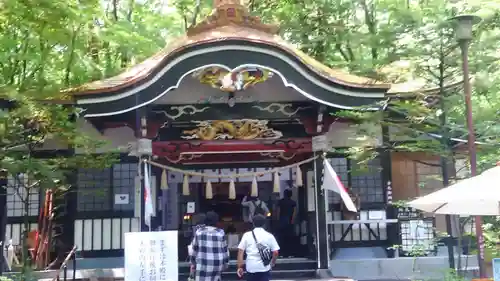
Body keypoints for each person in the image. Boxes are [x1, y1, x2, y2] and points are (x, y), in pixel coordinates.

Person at [237, 214, 279, 281]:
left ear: (253, 223)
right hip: (264, 267)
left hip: (251, 266)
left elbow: (240, 251)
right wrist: (272, 263)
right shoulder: (269, 236)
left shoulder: (247, 235)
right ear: (264, 223)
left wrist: (240, 266)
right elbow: (276, 252)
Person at [190, 211, 229, 281]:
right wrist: (226, 263)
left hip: (203, 264)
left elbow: (194, 250)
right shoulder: (220, 232)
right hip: (217, 264)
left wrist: (193, 263)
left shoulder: (199, 232)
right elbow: (225, 250)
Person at [276, 189, 296, 257]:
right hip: (289, 220)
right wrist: (292, 221)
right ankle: (289, 253)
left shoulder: (280, 202)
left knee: (281, 238)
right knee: (289, 238)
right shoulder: (293, 202)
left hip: (282, 220)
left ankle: (281, 253)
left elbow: (278, 212)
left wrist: (278, 220)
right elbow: (294, 213)